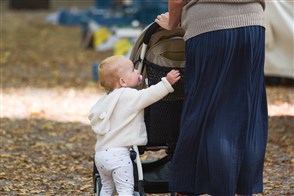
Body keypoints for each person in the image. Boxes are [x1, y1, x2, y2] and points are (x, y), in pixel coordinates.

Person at [155, 0, 268, 195]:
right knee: (246, 112)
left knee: (208, 113)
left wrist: (173, 22)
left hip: (210, 26)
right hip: (253, 24)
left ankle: (215, 188)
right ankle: (243, 186)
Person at [88, 55, 180, 196]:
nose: (137, 71)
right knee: (126, 190)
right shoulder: (128, 95)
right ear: (123, 81)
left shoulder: (105, 100)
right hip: (119, 156)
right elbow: (149, 95)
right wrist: (166, 83)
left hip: (100, 155)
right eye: (133, 70)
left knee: (106, 188)